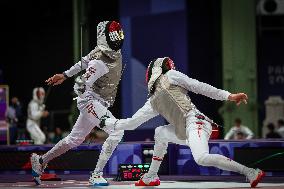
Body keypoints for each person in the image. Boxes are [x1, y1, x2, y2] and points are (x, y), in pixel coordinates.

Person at [102, 57, 265, 188]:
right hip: (184, 131)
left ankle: (251, 172)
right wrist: (109, 123)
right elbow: (132, 123)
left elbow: (199, 86)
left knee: (201, 158)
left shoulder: (171, 76)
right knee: (159, 133)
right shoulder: (152, 102)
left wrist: (228, 95)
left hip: (196, 122)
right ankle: (151, 176)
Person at [30, 20, 125, 186]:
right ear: (105, 37)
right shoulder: (99, 61)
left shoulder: (108, 51)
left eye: (118, 35)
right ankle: (96, 174)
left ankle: (41, 160)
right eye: (113, 35)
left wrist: (64, 74)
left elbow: (83, 61)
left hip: (98, 102)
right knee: (117, 131)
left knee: (73, 140)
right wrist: (86, 96)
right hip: (90, 101)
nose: (117, 39)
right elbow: (80, 84)